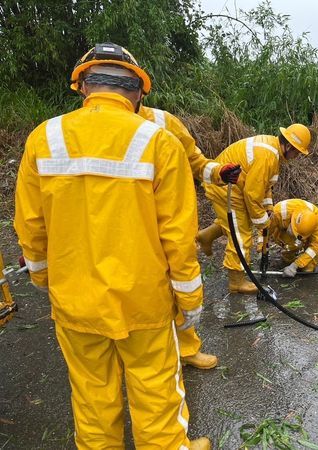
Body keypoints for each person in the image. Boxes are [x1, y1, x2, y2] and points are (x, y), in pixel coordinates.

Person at [14, 43, 210, 449]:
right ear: (138, 93)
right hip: (143, 302)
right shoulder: (158, 141)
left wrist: (43, 277)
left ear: (83, 86)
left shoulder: (44, 138)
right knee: (156, 395)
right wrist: (190, 298)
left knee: (91, 400)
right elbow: (178, 234)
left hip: (74, 302)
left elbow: (31, 226)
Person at [139, 105, 240, 370]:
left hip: (160, 217)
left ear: (140, 89)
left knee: (173, 281)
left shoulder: (162, 121)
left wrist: (218, 172)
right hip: (116, 226)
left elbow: (195, 160)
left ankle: (186, 349)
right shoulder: (79, 129)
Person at [198, 125, 311, 293]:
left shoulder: (273, 152)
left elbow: (264, 186)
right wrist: (262, 222)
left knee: (235, 224)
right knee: (241, 233)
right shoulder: (268, 156)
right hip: (225, 186)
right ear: (288, 146)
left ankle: (205, 236)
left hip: (232, 186)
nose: (297, 156)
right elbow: (252, 194)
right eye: (297, 152)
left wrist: (268, 208)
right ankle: (236, 282)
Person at [259, 199, 318, 277]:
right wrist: (262, 246)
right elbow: (265, 229)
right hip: (283, 231)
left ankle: (305, 263)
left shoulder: (317, 220)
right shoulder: (279, 212)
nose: (298, 240)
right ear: (292, 220)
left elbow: (315, 246)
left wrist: (295, 265)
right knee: (288, 253)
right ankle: (288, 256)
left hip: (311, 226)